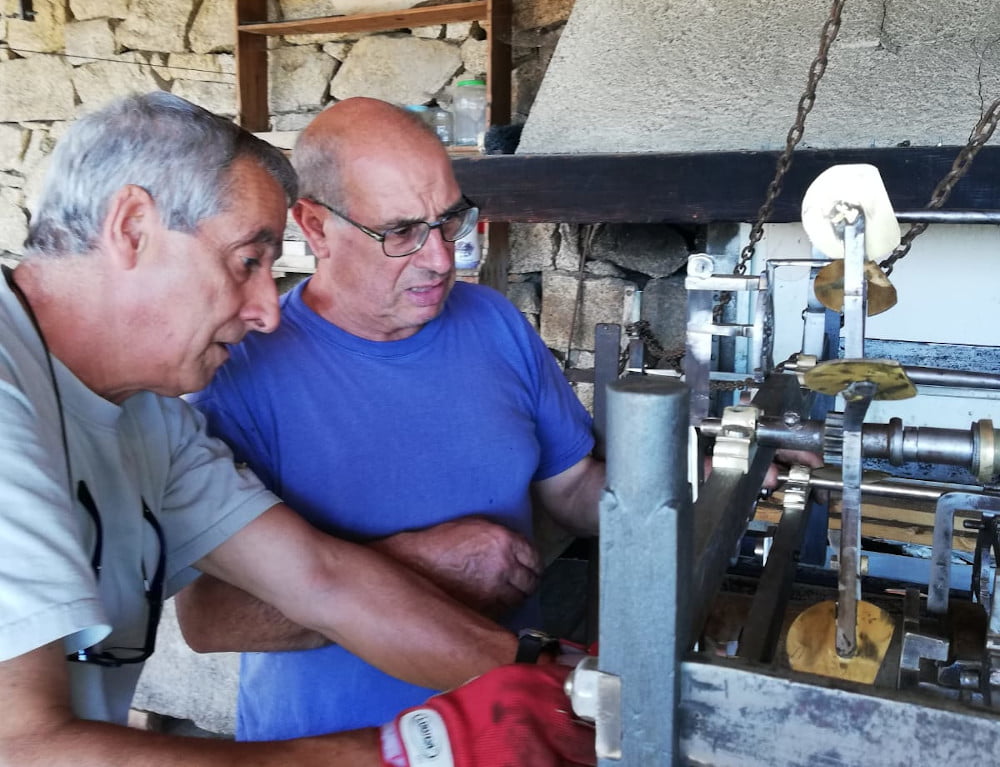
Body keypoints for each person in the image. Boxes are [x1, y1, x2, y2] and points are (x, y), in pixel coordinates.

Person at [0, 91, 595, 767]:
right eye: (247, 261)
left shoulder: (150, 418)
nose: (267, 311)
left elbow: (324, 580)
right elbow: (23, 747)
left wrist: (548, 677)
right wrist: (408, 749)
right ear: (133, 228)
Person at [175, 96, 607, 740]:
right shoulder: (236, 375)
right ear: (315, 227)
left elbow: (573, 489)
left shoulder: (494, 323)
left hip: (513, 734)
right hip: (329, 747)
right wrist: (418, 566)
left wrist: (693, 479)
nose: (440, 258)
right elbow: (209, 621)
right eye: (401, 232)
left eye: (450, 221)